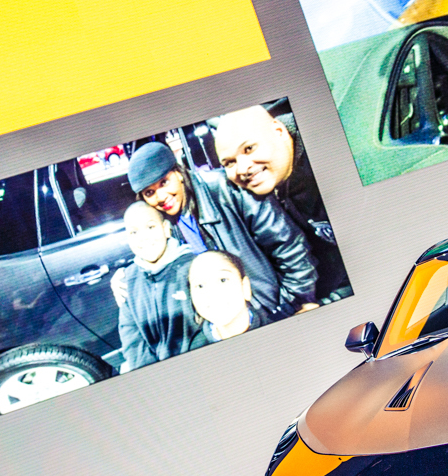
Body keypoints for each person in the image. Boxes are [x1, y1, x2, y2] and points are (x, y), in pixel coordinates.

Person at [127, 141, 317, 319]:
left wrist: (296, 304)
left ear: (178, 173)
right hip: (231, 322)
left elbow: (288, 245)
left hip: (274, 310)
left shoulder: (226, 189)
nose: (160, 196)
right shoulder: (165, 226)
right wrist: (124, 280)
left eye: (164, 182)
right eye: (149, 193)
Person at [210, 106, 351, 304]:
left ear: (279, 132)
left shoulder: (334, 162)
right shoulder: (268, 189)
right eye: (229, 163)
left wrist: (332, 302)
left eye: (249, 149)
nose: (243, 169)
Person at [111, 201, 198, 371]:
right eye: (134, 232)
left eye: (151, 227)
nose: (143, 237)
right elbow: (130, 335)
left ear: (166, 229)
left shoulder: (191, 267)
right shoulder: (128, 280)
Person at [187, 250, 263, 347]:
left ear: (245, 287)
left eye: (223, 280)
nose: (212, 293)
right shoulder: (195, 349)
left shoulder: (277, 330)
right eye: (200, 286)